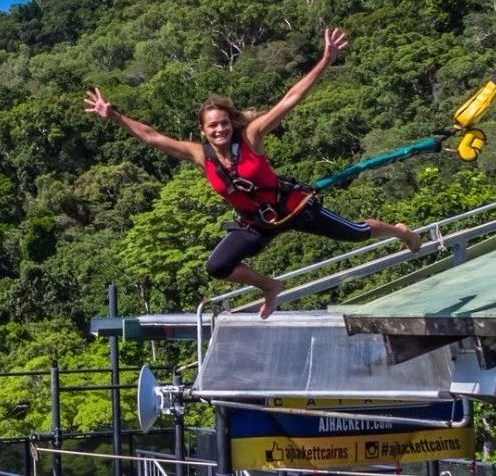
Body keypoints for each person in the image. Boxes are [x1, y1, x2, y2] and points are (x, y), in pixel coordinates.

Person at [84, 28, 422, 318]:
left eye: (224, 123)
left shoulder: (251, 137)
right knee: (217, 266)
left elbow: (289, 100)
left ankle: (400, 231)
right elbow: (152, 136)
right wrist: (114, 116)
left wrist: (325, 61)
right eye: (212, 126)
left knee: (358, 233)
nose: (220, 130)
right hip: (257, 224)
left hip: (294, 208)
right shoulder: (199, 155)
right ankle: (270, 286)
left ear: (231, 124)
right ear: (203, 131)